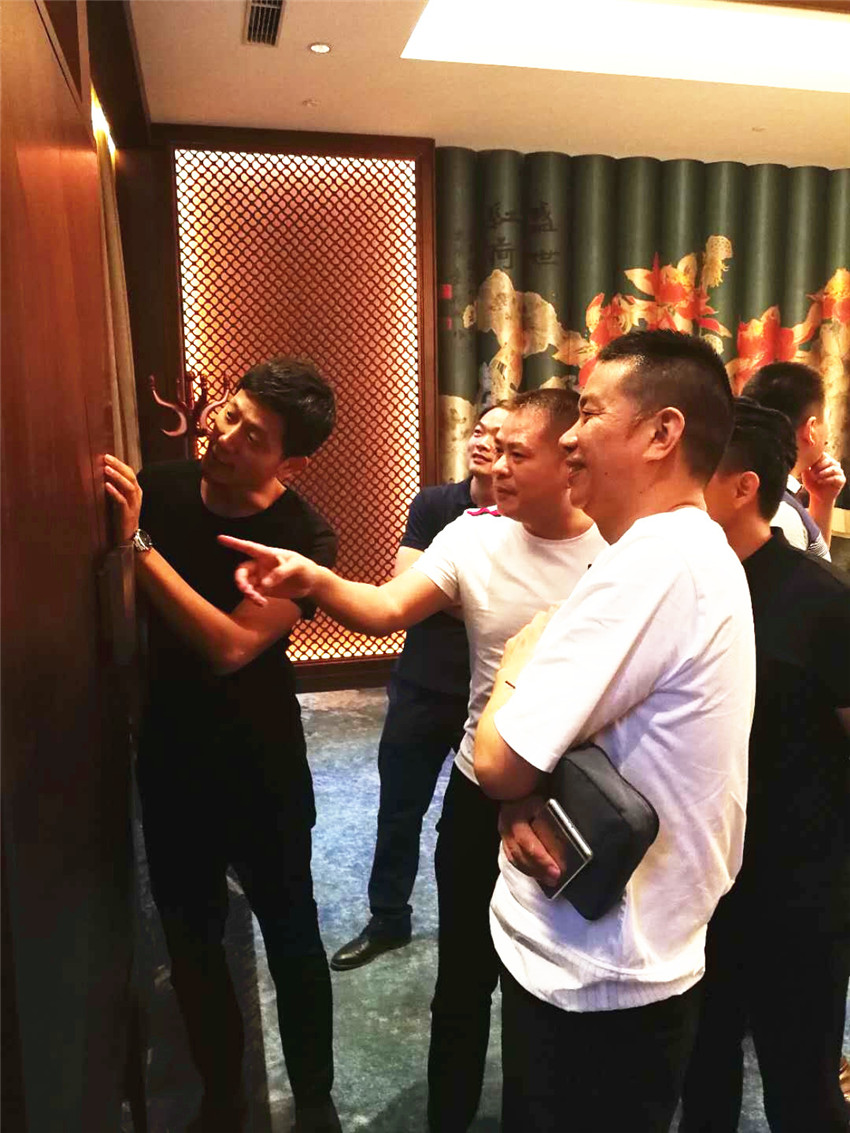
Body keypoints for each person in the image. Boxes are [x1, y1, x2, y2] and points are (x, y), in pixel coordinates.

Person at [220, 388, 608, 1132]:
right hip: (480, 783)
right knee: (462, 980)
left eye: (518, 453)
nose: (496, 466)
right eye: (495, 449)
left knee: (556, 989)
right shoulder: (471, 535)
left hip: (577, 798)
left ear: (570, 460)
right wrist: (315, 579)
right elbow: (386, 608)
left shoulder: (619, 551)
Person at [473, 329, 755, 1133]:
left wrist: (514, 662)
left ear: (662, 432)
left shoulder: (655, 562)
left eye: (590, 412)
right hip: (628, 950)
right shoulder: (689, 550)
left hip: (594, 969)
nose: (569, 436)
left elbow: (499, 762)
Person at [104, 358, 341, 1133]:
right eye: (231, 414)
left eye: (254, 435)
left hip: (258, 760)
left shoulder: (302, 539)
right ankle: (221, 1097)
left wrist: (138, 544)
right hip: (171, 751)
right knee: (192, 941)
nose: (227, 436)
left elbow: (232, 646)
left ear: (289, 463)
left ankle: (314, 1097)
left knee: (291, 932)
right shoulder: (161, 487)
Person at [679, 397, 850, 1133]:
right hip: (693, 875)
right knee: (701, 1072)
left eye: (696, 470)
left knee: (801, 1084)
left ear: (744, 487)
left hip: (798, 887)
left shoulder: (821, 600)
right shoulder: (674, 583)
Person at [331, 402, 510, 972]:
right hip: (423, 685)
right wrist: (483, 598)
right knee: (398, 809)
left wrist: (447, 591)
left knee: (486, 820)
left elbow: (433, 591)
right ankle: (388, 917)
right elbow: (404, 588)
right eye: (478, 430)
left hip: (493, 697)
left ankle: (496, 924)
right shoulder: (436, 503)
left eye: (499, 436)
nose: (482, 441)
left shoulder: (530, 521)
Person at [742, 361, 846, 559]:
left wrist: (822, 501)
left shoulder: (752, 485)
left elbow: (812, 565)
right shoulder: (778, 513)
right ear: (811, 430)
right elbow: (808, 575)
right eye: (827, 419)